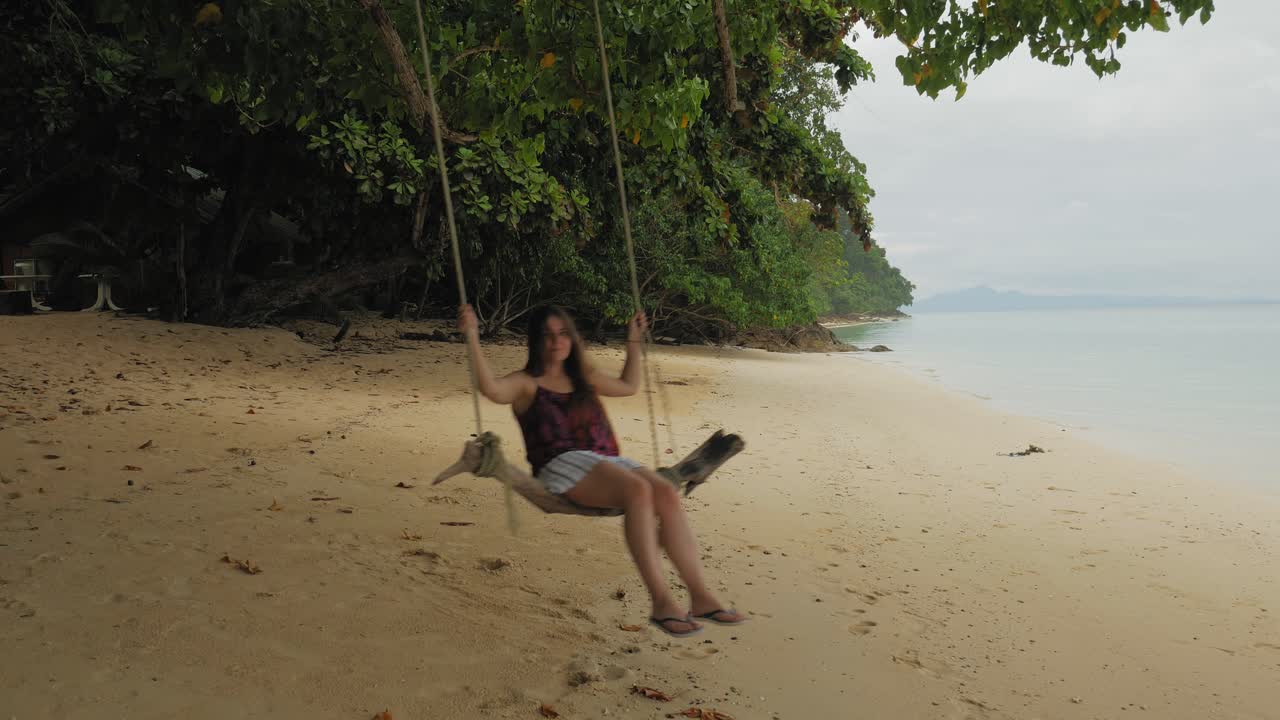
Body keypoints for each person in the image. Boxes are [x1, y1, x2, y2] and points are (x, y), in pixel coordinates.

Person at [457, 303, 746, 637]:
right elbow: (492, 390)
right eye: (547, 335)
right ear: (535, 341)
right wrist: (473, 336)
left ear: (573, 337)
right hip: (561, 465)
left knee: (666, 491)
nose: (556, 341)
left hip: (606, 461)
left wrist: (634, 340)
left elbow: (628, 386)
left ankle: (700, 596)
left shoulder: (585, 378)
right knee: (637, 491)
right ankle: (662, 601)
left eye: (563, 333)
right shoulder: (527, 383)